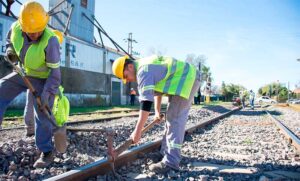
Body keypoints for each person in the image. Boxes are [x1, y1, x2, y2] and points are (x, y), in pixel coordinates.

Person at [112, 55, 200, 174]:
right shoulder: (145, 68)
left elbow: (146, 104)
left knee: (175, 119)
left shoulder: (143, 71)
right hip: (184, 78)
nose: (127, 80)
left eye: (126, 76)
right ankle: (164, 153)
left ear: (130, 66)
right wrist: (157, 112)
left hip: (187, 79)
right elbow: (156, 91)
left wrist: (137, 131)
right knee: (170, 117)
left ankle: (171, 163)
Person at [0, 1, 61, 168]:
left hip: (43, 78)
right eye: (31, 32)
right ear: (22, 25)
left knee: (41, 112)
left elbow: (55, 75)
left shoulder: (51, 41)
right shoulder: (15, 28)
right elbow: (9, 43)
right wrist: (10, 53)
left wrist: (46, 94)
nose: (35, 34)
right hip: (23, 73)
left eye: (38, 30)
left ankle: (47, 151)